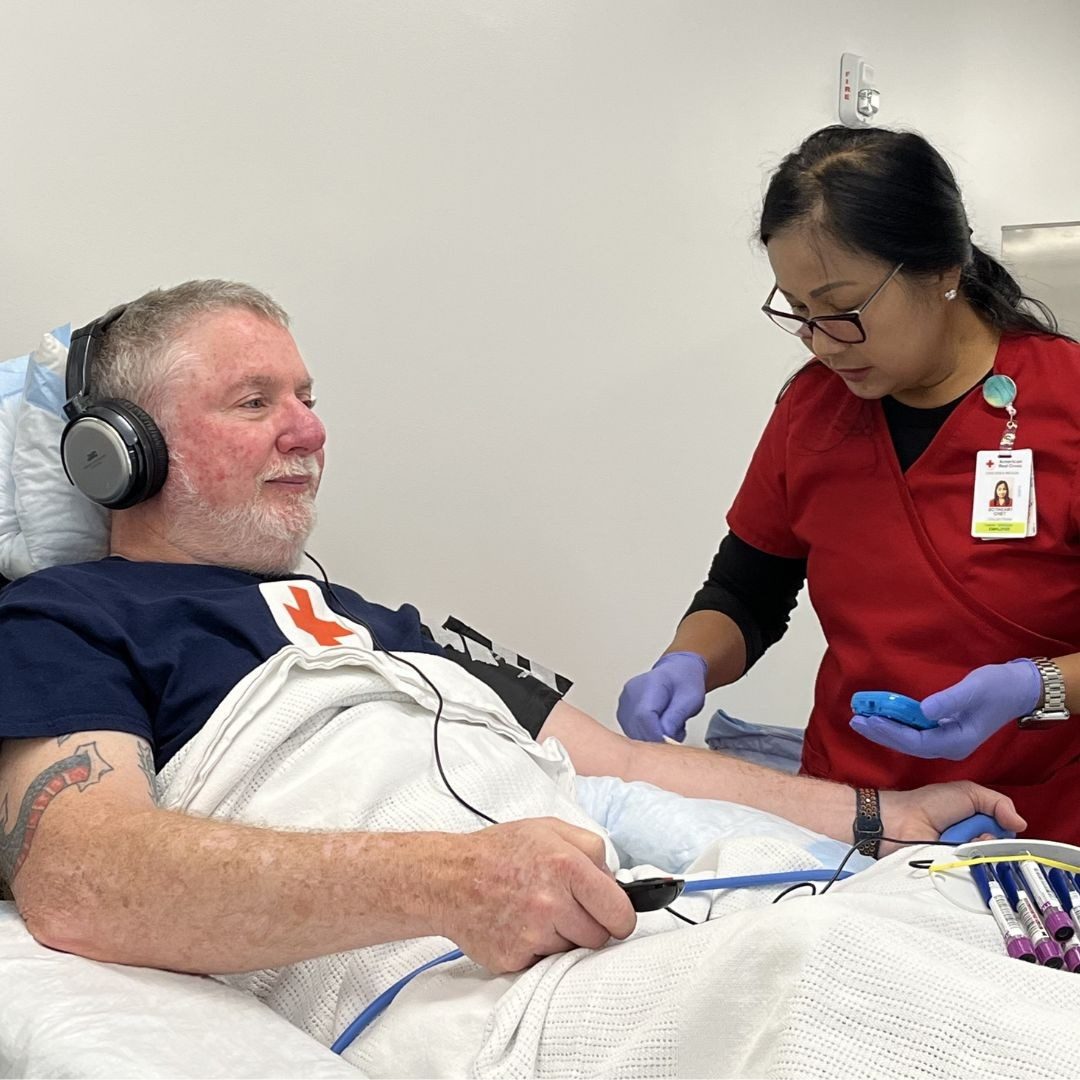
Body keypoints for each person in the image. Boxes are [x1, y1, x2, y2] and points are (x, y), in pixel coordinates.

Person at [0, 280, 1019, 985]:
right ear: (115, 455)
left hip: (624, 917)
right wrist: (453, 882)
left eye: (308, 397)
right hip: (473, 972)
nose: (308, 431)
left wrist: (883, 815)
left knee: (951, 947)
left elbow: (620, 761)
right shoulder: (67, 619)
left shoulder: (376, 622)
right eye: (253, 402)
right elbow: (83, 878)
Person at [616, 124, 1080, 844]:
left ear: (942, 267)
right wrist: (688, 662)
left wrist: (1036, 688)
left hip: (1037, 824)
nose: (824, 344)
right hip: (852, 814)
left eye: (843, 309)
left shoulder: (1066, 402)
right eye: (799, 314)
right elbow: (746, 592)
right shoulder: (812, 412)